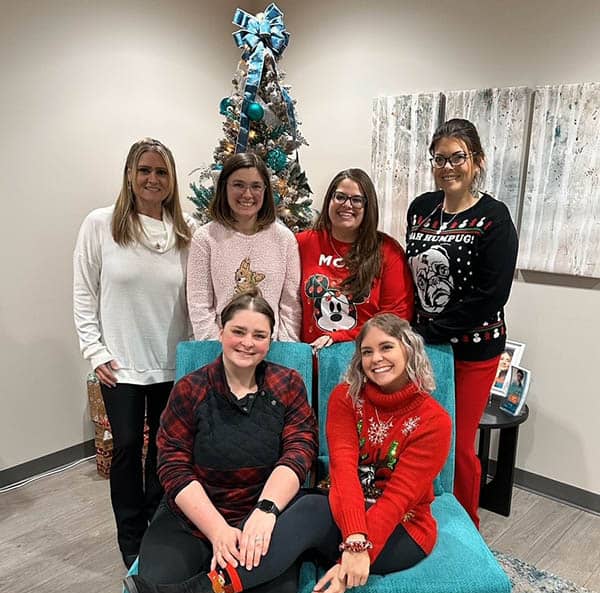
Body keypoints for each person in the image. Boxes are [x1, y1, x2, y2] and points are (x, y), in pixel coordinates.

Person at [124, 312, 451, 593]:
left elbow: (397, 499)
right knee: (306, 505)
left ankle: (200, 592)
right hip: (345, 514)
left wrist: (354, 555)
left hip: (400, 527)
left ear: (409, 350)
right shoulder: (346, 398)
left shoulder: (434, 420)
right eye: (367, 351)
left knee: (306, 510)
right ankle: (207, 589)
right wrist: (353, 540)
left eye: (387, 347)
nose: (376, 358)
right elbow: (344, 475)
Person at [73, 137, 195, 567]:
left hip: (170, 363)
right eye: (144, 170)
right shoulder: (100, 225)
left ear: (172, 180)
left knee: (166, 449)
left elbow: (193, 300)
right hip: (119, 364)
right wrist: (94, 349)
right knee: (126, 447)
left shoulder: (185, 232)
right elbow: (84, 293)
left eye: (161, 172)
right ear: (130, 174)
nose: (152, 179)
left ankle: (157, 526)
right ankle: (130, 537)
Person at [405, 118, 518, 527]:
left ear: (477, 162)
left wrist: (428, 330)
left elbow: (491, 296)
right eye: (439, 158)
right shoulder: (421, 208)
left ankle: (464, 526)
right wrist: (410, 331)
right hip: (423, 348)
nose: (447, 166)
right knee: (420, 435)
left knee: (458, 443)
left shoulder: (494, 218)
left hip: (473, 350)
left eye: (457, 157)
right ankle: (421, 514)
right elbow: (411, 274)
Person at [296, 168, 414, 351]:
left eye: (357, 200)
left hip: (367, 359)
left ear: (368, 207)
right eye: (340, 197)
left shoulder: (388, 251)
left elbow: (397, 317)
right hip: (311, 361)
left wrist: (340, 337)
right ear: (329, 200)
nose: (347, 205)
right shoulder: (302, 243)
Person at [187, 153, 301, 341]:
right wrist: (221, 349)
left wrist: (284, 348)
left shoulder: (285, 239)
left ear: (265, 190)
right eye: (238, 185)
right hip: (221, 351)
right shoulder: (205, 238)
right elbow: (199, 305)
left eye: (256, 186)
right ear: (224, 187)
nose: (247, 194)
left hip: (272, 351)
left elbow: (291, 305)